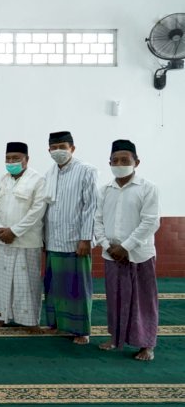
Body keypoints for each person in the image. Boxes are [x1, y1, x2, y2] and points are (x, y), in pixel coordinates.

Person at [95, 139, 160, 361]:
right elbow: (97, 221)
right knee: (115, 298)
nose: (120, 163)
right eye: (116, 160)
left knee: (143, 301)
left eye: (125, 160)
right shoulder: (105, 190)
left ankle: (146, 344)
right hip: (112, 254)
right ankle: (115, 338)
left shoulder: (148, 188)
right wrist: (107, 245)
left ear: (136, 162)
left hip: (139, 255)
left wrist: (126, 246)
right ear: (109, 162)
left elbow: (150, 222)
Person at [44, 131, 97, 344]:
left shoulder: (86, 171)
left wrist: (85, 239)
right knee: (54, 287)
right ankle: (57, 325)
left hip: (76, 241)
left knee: (77, 288)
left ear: (72, 148)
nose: (58, 151)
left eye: (62, 146)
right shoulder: (49, 173)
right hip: (53, 240)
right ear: (49, 150)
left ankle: (81, 331)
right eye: (54, 147)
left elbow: (91, 207)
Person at [0, 142, 47, 332]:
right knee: (2, 281)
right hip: (3, 239)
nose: (11, 162)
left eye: (16, 158)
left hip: (26, 240)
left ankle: (30, 321)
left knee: (27, 282)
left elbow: (37, 210)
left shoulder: (38, 180)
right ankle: (0, 317)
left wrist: (14, 231)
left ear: (26, 160)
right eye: (8, 158)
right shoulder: (2, 180)